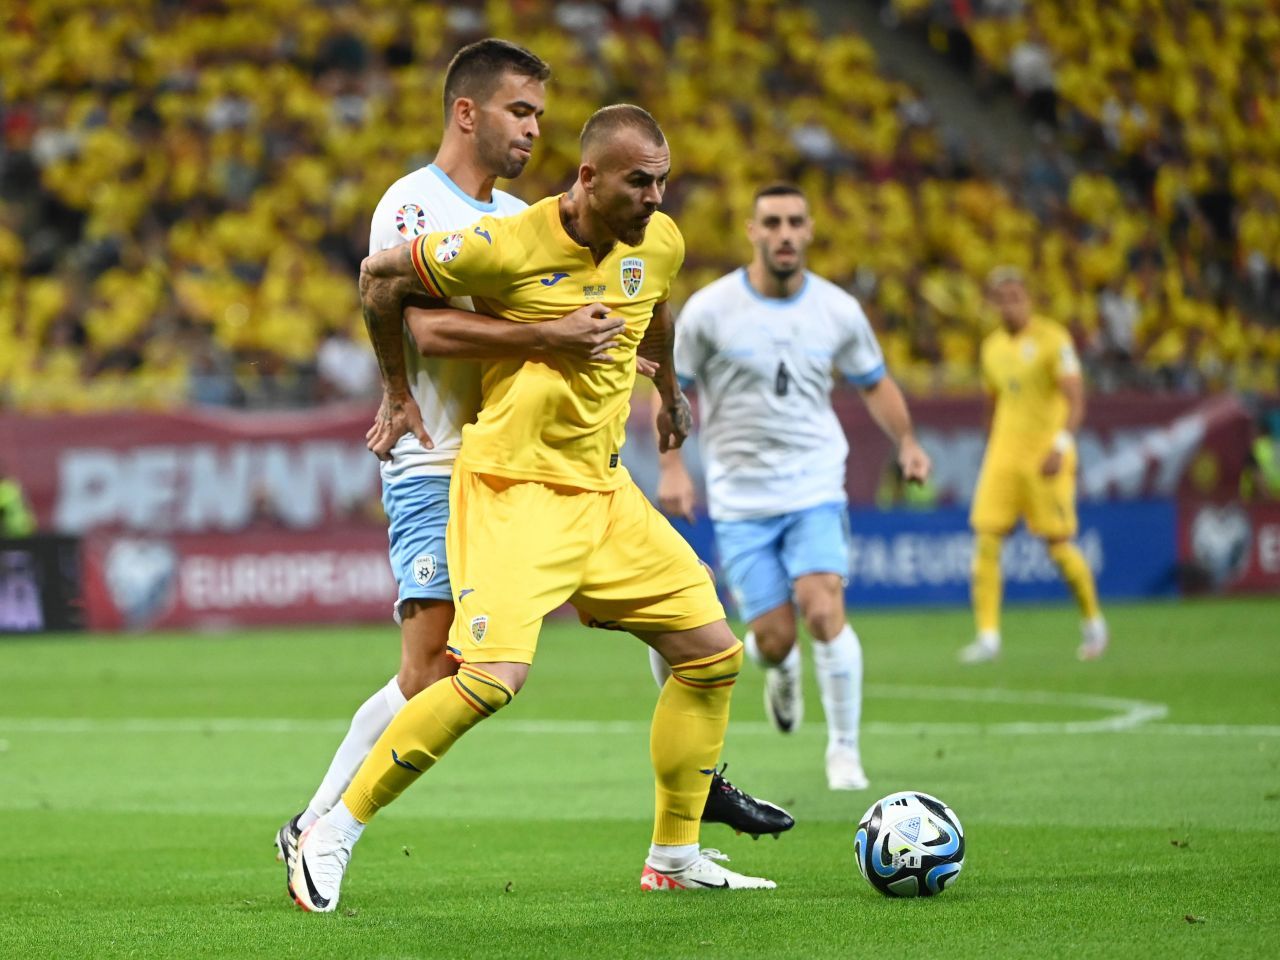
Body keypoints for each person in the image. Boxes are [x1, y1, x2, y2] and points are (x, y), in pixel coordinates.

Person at [276, 42, 787, 899]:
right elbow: (406, 310)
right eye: (522, 112)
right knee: (450, 674)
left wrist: (659, 381)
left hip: (589, 481)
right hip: (461, 467)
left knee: (703, 644)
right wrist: (402, 390)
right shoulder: (441, 214)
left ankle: (684, 829)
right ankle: (325, 825)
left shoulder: (583, 225)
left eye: (542, 116)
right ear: (469, 112)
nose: (533, 129)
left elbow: (647, 297)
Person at [656, 184, 931, 792]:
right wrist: (673, 468)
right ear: (752, 231)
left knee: (824, 608)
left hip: (814, 484)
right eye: (772, 222)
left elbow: (874, 381)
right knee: (775, 639)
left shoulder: (836, 310)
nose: (784, 233)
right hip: (740, 496)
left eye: (795, 223)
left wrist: (907, 442)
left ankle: (844, 753)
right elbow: (669, 390)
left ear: (809, 232)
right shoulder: (711, 309)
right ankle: (780, 670)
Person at [960, 266, 1108, 664]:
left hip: (1046, 456)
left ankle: (1093, 623)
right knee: (986, 541)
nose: (1009, 305)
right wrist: (989, 445)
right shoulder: (991, 347)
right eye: (1001, 298)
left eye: (1016, 296)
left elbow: (1076, 399)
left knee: (1058, 547)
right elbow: (994, 403)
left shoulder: (1053, 339)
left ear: (1028, 298)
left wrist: (1061, 444)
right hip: (1003, 458)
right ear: (993, 304)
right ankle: (988, 637)